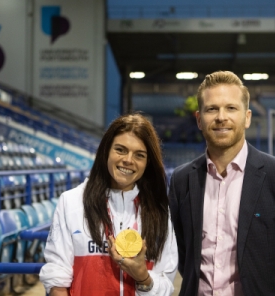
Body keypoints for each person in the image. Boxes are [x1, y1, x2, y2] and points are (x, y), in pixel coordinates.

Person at [168, 71, 275, 296]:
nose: (221, 117)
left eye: (231, 108)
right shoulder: (181, 180)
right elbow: (183, 252)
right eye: (212, 109)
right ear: (199, 119)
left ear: (246, 117)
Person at [40, 113, 178, 296]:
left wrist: (143, 277)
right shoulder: (71, 202)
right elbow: (57, 277)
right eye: (120, 150)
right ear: (106, 151)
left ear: (147, 163)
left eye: (139, 155)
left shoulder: (159, 212)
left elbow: (166, 284)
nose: (128, 160)